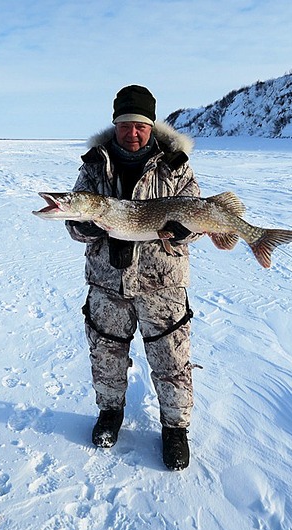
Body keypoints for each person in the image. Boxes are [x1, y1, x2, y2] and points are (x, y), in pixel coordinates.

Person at [66, 85, 200, 470]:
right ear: (116, 124)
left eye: (140, 125)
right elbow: (76, 221)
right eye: (125, 124)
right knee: (106, 354)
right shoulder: (94, 166)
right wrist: (86, 228)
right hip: (108, 281)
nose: (133, 132)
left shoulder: (175, 165)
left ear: (150, 125)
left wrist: (183, 230)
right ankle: (110, 413)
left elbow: (195, 216)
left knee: (172, 360)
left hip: (163, 283)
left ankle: (175, 428)